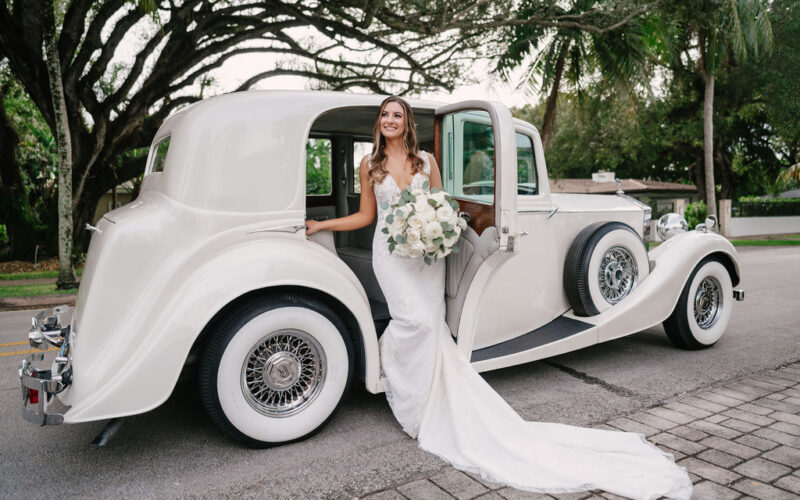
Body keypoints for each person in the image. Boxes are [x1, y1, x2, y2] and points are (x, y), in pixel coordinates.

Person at [305, 96, 692, 500]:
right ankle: (408, 396)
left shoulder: (426, 162)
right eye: (384, 115)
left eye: (397, 115)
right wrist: (323, 223)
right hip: (393, 257)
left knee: (430, 324)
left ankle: (422, 402)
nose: (390, 120)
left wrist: (440, 228)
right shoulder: (370, 165)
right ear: (379, 124)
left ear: (406, 124)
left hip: (426, 259)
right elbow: (367, 217)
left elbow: (442, 204)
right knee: (413, 322)